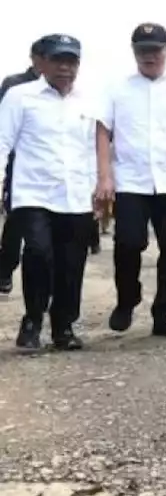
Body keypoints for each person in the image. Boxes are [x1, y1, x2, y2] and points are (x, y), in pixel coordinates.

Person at [94, 23, 166, 338]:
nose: (150, 56)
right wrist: (104, 175)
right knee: (129, 242)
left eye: (155, 50)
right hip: (130, 180)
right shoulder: (117, 88)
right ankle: (127, 298)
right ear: (134, 52)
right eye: (143, 50)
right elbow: (103, 131)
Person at [0, 35, 96, 351]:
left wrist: (100, 187)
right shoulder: (20, 96)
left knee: (72, 262)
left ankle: (63, 326)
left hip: (76, 194)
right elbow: (3, 142)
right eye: (58, 61)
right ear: (44, 63)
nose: (65, 68)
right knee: (39, 252)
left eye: (71, 62)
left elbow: (95, 148)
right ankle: (32, 320)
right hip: (34, 193)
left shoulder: (89, 100)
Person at [0, 37, 47, 294]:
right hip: (18, 163)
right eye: (44, 57)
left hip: (48, 165)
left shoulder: (66, 88)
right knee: (16, 219)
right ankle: (5, 268)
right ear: (35, 58)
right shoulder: (15, 85)